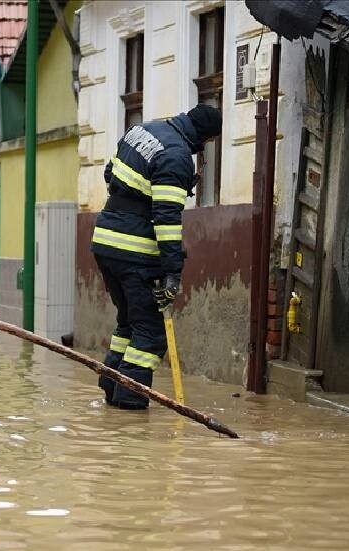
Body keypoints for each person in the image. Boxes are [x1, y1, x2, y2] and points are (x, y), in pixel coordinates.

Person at [91, 104, 222, 409]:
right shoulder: (177, 157)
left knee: (128, 323)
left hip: (105, 242)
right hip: (134, 252)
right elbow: (166, 219)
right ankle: (129, 408)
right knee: (149, 335)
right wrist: (173, 272)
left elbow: (110, 174)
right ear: (205, 138)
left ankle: (111, 387)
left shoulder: (142, 130)